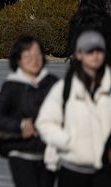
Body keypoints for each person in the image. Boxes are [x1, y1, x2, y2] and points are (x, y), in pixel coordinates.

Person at [36, 30, 111, 187]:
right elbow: (45, 122)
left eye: (99, 50)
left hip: (105, 170)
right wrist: (67, 141)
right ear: (79, 54)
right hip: (72, 170)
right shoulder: (65, 88)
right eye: (90, 51)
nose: (95, 55)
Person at [0, 36, 58, 187]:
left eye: (37, 54)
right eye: (28, 56)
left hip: (49, 154)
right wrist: (19, 126)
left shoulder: (52, 83)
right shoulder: (12, 86)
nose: (34, 60)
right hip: (21, 153)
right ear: (18, 60)